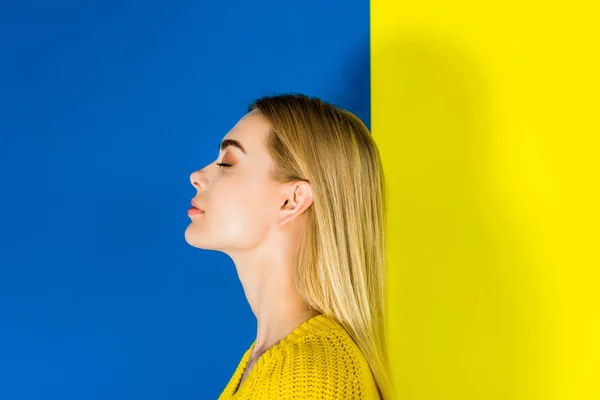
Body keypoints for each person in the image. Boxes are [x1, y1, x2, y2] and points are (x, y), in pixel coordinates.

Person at [186, 94, 394, 399]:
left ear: (292, 200)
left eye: (227, 163)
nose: (197, 177)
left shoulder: (309, 373)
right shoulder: (272, 360)